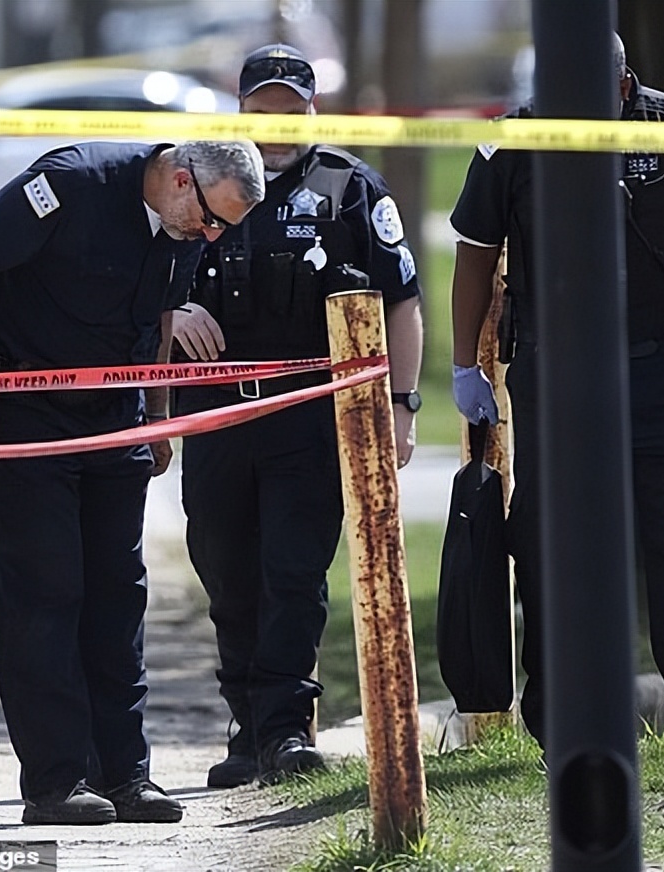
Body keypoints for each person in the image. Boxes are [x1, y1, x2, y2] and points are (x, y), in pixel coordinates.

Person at [448, 35, 664, 752]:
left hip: (661, 375)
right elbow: (474, 256)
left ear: (623, 87)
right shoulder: (513, 144)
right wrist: (465, 367)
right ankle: (565, 721)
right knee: (552, 544)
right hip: (554, 379)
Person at [0, 139, 265, 824]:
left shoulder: (186, 223)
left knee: (118, 600)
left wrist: (156, 416)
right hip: (25, 412)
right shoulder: (72, 182)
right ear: (183, 180)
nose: (212, 236)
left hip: (114, 418)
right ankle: (56, 781)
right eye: (211, 220)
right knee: (44, 594)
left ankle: (125, 774)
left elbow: (159, 317)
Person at [170, 44, 425, 787]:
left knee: (293, 572)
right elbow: (147, 274)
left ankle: (286, 728)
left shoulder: (349, 187)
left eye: (292, 111)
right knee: (226, 571)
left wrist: (402, 405)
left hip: (309, 420)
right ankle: (247, 727)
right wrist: (174, 311)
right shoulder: (197, 178)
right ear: (240, 111)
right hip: (214, 416)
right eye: (262, 111)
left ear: (314, 112)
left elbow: (401, 301)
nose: (277, 124)